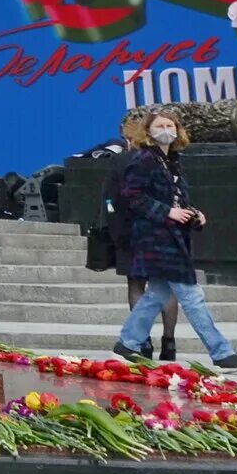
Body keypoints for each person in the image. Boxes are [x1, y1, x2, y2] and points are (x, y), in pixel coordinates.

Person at [110, 113, 237, 371]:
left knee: (157, 294)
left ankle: (128, 342)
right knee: (191, 295)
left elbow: (176, 200)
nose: (166, 130)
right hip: (156, 239)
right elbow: (131, 196)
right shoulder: (144, 159)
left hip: (169, 237)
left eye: (170, 126)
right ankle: (221, 352)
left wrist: (193, 214)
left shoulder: (171, 162)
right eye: (160, 126)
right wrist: (167, 212)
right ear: (148, 132)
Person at [103, 117, 180, 362]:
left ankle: (142, 340)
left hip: (131, 232)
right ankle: (169, 342)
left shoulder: (121, 161)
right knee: (166, 287)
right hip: (166, 230)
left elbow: (109, 198)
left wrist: (114, 228)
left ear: (128, 139)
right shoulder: (166, 160)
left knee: (136, 285)